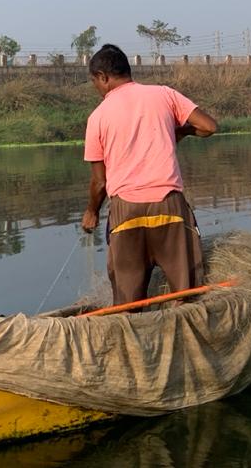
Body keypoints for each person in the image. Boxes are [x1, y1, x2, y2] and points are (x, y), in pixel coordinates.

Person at [80, 44, 219, 306]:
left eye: (94, 82)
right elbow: (209, 126)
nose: (96, 88)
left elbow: (100, 182)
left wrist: (92, 212)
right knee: (186, 297)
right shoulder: (164, 95)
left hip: (126, 212)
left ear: (103, 77)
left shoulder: (97, 117)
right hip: (168, 205)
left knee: (128, 303)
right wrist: (181, 131)